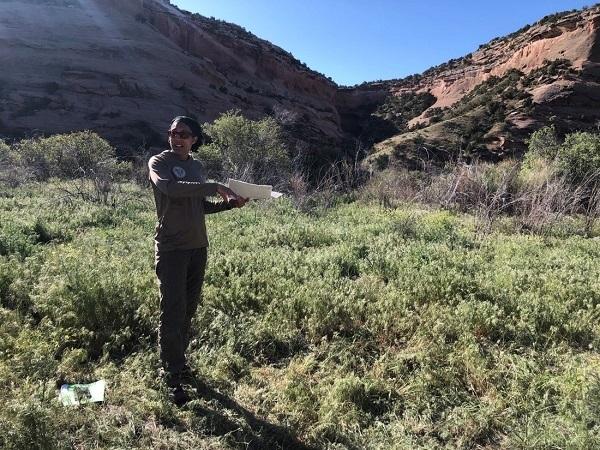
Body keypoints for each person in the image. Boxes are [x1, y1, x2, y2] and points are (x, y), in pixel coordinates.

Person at [148, 115, 247, 405]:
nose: (177, 137)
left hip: (197, 248)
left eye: (184, 134)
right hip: (171, 248)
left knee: (188, 309)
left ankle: (179, 362)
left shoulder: (196, 165)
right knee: (172, 310)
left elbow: (199, 205)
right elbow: (171, 189)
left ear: (194, 140)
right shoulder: (159, 163)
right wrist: (214, 186)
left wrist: (229, 205)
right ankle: (172, 374)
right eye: (173, 132)